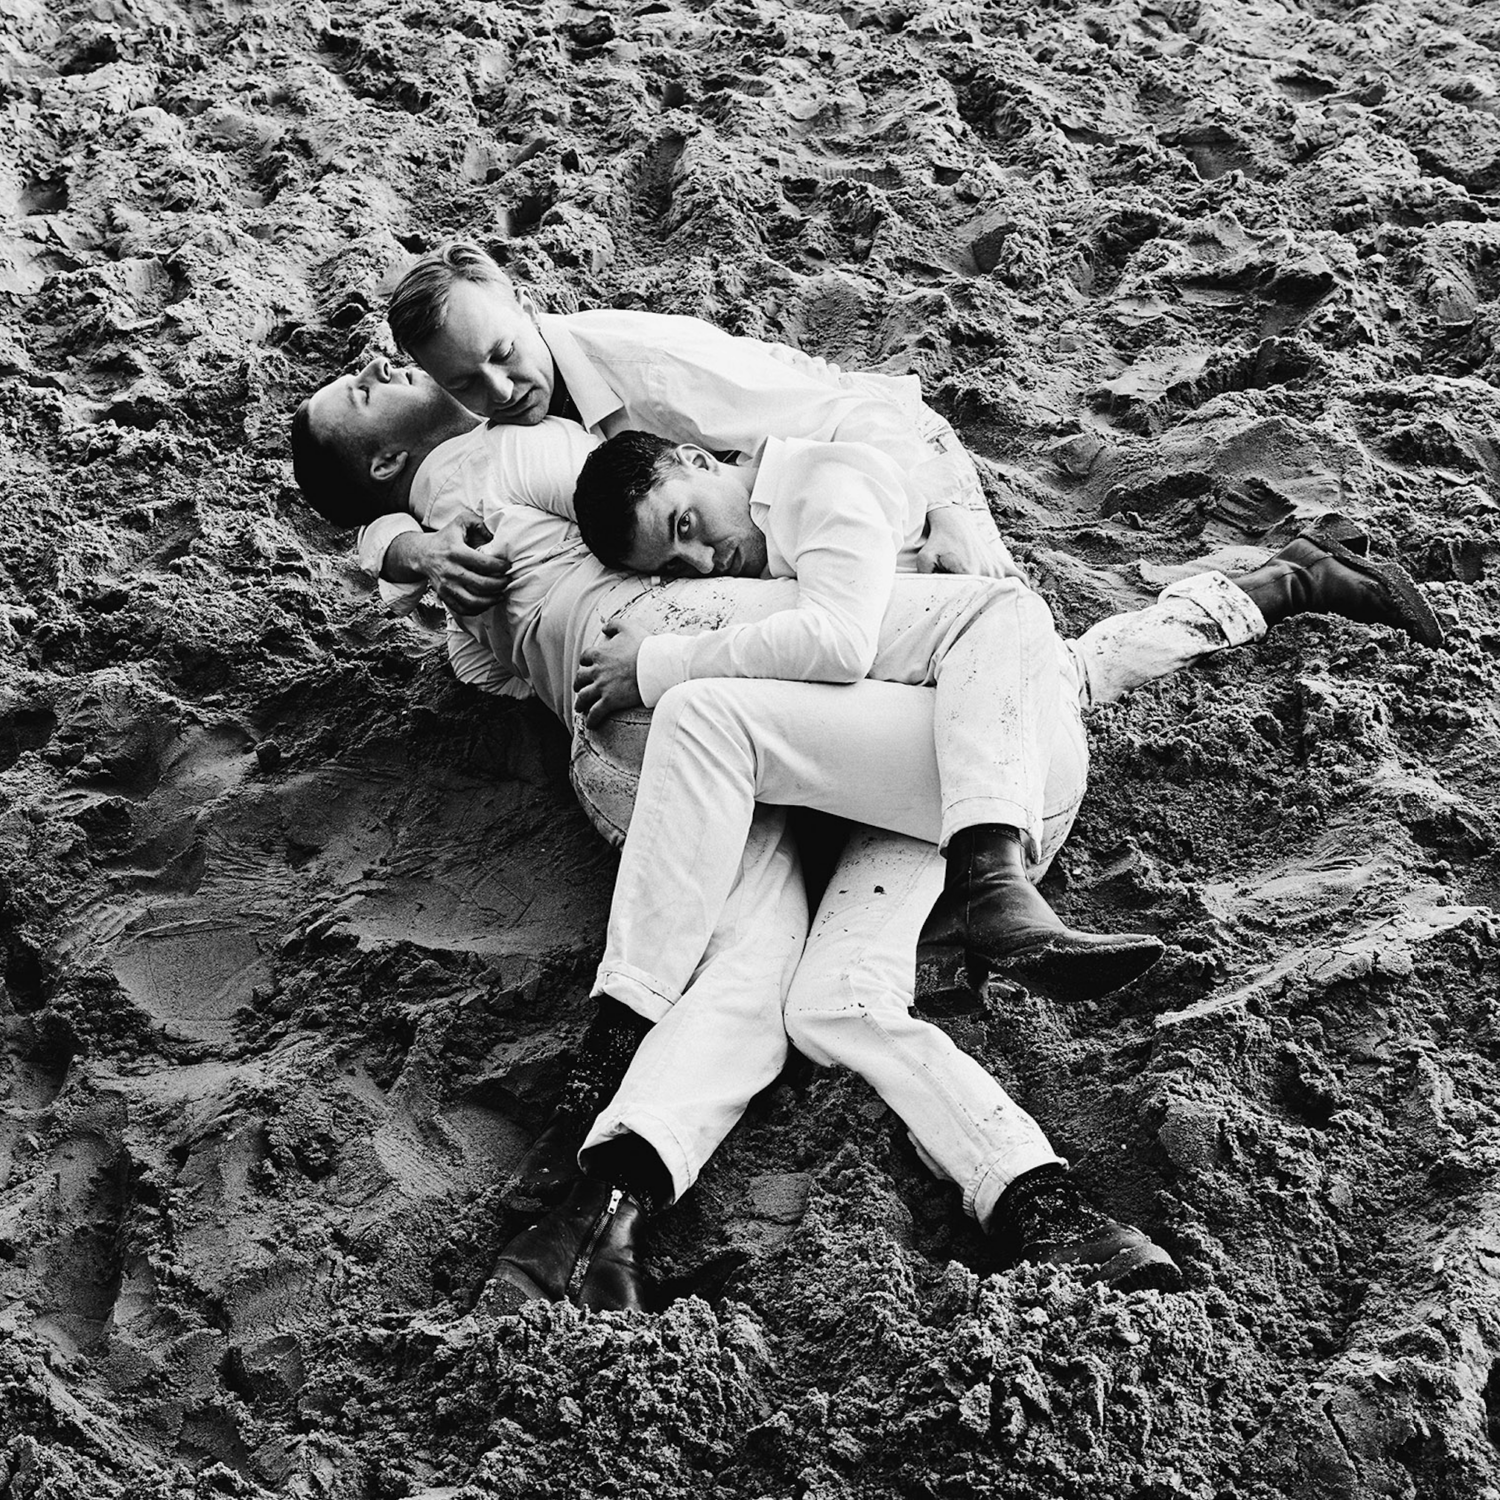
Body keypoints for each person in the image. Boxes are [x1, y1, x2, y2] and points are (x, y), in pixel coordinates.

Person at [288, 272, 1443, 1307]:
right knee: (981, 681)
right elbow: (527, 530)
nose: (380, 366)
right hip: (700, 686)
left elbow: (496, 649)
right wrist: (397, 538)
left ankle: (599, 1202)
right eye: (366, 390)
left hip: (665, 726)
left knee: (767, 949)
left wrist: (397, 546)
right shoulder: (490, 459)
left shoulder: (528, 443)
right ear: (388, 451)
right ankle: (1028, 1178)